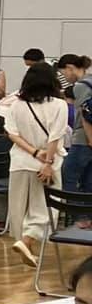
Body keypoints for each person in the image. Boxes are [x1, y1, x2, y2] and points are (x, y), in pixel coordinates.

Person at [0, 62, 69, 265]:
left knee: (20, 206)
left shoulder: (16, 104)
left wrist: (33, 152)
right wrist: (47, 161)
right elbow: (55, 136)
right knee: (47, 207)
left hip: (20, 161)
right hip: (47, 162)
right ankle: (27, 241)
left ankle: (26, 246)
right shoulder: (59, 105)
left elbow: (12, 133)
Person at [60, 54, 91, 198]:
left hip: (83, 139)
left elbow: (85, 114)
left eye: (63, 73)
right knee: (88, 180)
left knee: (68, 175)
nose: (65, 78)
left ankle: (74, 210)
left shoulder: (80, 86)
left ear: (70, 68)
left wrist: (90, 139)